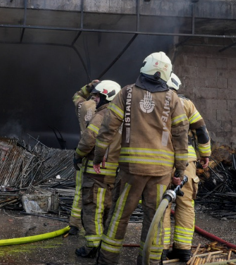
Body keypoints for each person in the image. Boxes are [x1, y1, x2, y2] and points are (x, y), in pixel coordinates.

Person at [93, 51, 189, 265]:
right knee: (154, 220)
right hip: (161, 174)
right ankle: (150, 262)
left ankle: (107, 260)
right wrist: (180, 171)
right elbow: (181, 135)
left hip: (131, 170)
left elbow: (107, 128)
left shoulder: (126, 93)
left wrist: (98, 157)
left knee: (119, 217)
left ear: (144, 68)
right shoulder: (173, 99)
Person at [163, 73, 211, 262]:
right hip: (188, 162)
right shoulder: (187, 104)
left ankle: (161, 249)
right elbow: (201, 131)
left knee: (163, 204)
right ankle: (183, 249)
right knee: (186, 204)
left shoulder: (155, 102)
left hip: (162, 159)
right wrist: (205, 154)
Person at [73, 80, 122, 258]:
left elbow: (88, 140)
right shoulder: (122, 116)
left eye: (97, 96)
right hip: (113, 174)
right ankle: (104, 245)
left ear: (106, 97)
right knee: (107, 209)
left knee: (92, 208)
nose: (95, 99)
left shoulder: (102, 115)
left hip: (96, 172)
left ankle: (92, 246)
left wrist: (77, 155)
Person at [69, 80, 101, 235]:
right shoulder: (105, 111)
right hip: (99, 158)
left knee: (79, 191)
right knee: (96, 194)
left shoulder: (83, 106)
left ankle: (74, 225)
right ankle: (94, 227)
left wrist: (88, 87)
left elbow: (76, 96)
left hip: (82, 154)